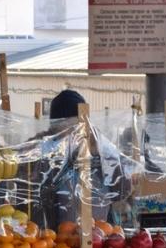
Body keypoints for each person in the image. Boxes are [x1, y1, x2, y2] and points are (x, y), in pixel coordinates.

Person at [29, 89, 131, 229]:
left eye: (75, 127)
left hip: (97, 240)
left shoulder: (100, 146)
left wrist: (101, 156)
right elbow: (33, 195)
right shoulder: (41, 150)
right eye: (64, 128)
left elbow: (122, 192)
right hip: (53, 243)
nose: (71, 134)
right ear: (54, 129)